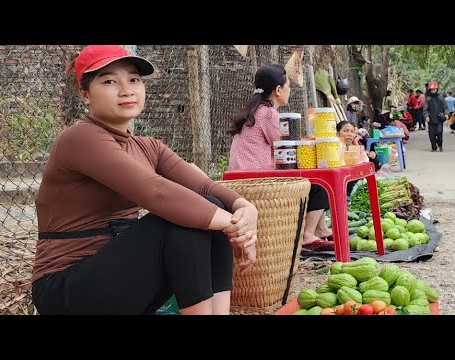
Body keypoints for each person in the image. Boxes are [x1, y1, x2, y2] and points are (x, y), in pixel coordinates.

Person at [31, 45, 259, 315]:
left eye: (134, 80)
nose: (126, 89)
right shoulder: (79, 138)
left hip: (120, 277)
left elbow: (205, 186)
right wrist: (233, 226)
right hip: (67, 288)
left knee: (208, 204)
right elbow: (156, 193)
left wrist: (245, 208)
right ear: (85, 95)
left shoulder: (148, 147)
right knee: (184, 219)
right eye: (109, 81)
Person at [228, 63, 333, 252]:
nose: (289, 90)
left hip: (241, 178)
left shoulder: (254, 112)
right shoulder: (268, 114)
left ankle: (321, 228)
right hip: (258, 180)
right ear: (278, 90)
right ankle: (308, 235)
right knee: (318, 186)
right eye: (288, 86)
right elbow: (288, 146)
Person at [337, 121, 381, 196]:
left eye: (352, 132)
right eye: (345, 131)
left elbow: (371, 166)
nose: (349, 134)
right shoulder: (335, 149)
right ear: (337, 133)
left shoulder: (356, 148)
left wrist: (372, 155)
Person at [423, 81, 449, 152]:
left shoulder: (441, 98)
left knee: (439, 133)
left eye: (434, 89)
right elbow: (425, 109)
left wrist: (446, 114)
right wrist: (426, 116)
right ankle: (434, 147)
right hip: (431, 120)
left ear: (437, 89)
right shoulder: (428, 99)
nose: (433, 91)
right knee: (432, 135)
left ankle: (440, 145)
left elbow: (446, 108)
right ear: (429, 90)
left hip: (439, 119)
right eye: (431, 90)